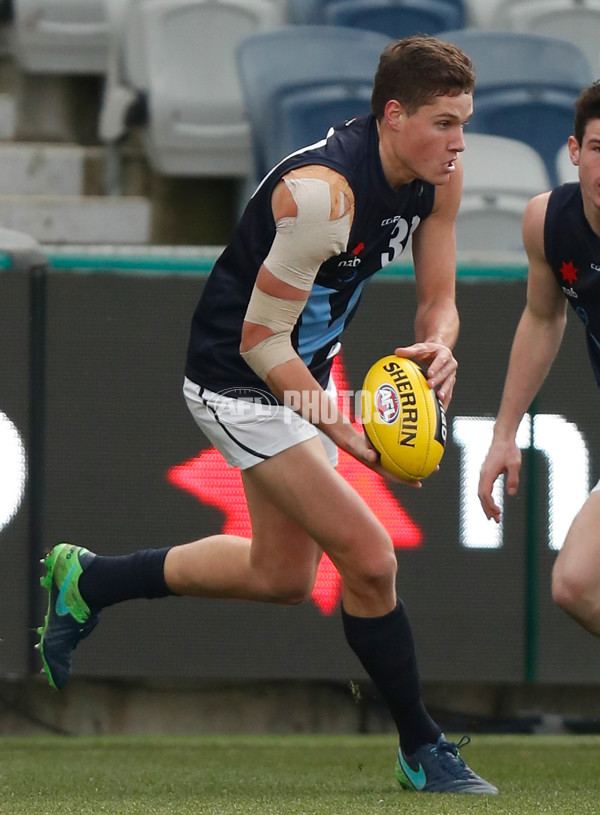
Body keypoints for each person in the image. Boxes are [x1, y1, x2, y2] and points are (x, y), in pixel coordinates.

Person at [38, 35, 497, 795]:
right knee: (372, 558)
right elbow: (259, 341)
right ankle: (423, 747)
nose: (458, 143)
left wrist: (438, 345)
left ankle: (88, 579)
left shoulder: (435, 175)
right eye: (444, 123)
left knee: (281, 575)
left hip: (296, 371)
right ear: (392, 115)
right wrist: (345, 430)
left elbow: (439, 301)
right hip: (237, 379)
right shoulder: (326, 195)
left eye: (465, 123)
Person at [478, 81, 600, 639]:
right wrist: (504, 434)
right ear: (574, 151)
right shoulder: (548, 223)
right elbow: (543, 319)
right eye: (599, 148)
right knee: (575, 586)